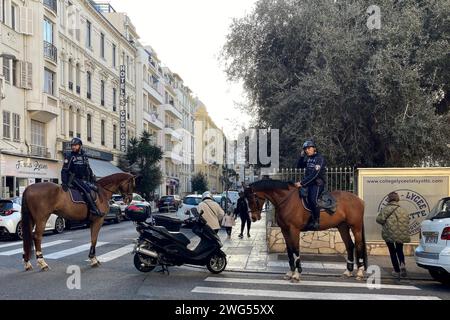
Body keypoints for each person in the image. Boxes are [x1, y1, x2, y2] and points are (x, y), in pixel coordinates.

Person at [61, 137, 102, 217]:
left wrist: (92, 177)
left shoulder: (84, 156)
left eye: (75, 145)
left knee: (95, 188)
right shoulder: (70, 156)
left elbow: (88, 168)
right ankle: (93, 209)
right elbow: (64, 170)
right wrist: (64, 183)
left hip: (83, 179)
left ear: (80, 146)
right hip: (73, 179)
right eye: (72, 145)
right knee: (87, 190)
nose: (73, 147)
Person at [376, 192, 411, 279]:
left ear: (389, 199)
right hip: (401, 234)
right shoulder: (403, 209)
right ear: (397, 199)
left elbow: (379, 220)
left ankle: (396, 271)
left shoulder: (386, 209)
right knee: (400, 250)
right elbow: (407, 220)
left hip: (389, 233)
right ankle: (402, 264)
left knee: (392, 252)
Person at [295, 140, 327, 230]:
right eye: (305, 149)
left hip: (317, 183)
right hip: (309, 183)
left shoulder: (319, 158)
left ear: (314, 148)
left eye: (309, 148)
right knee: (301, 198)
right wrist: (301, 156)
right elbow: (299, 166)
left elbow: (315, 174)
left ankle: (316, 221)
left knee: (312, 200)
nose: (307, 150)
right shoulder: (309, 159)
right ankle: (307, 218)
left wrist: (301, 183)